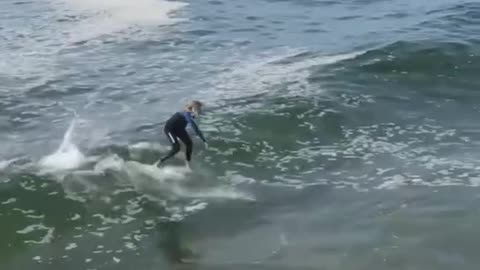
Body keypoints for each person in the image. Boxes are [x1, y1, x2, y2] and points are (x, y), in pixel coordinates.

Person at [157, 100, 207, 170]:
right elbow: (195, 128)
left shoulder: (191, 113)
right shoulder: (186, 114)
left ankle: (187, 164)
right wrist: (204, 140)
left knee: (189, 144)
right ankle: (160, 161)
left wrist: (196, 113)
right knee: (176, 148)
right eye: (197, 109)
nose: (198, 111)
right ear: (192, 108)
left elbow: (194, 116)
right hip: (170, 130)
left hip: (180, 129)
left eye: (199, 109)